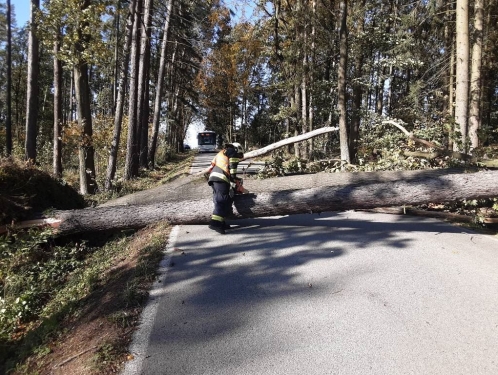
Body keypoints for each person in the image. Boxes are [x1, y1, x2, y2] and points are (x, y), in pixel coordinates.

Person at [207, 142, 244, 234]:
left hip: (214, 177)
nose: (238, 158)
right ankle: (215, 223)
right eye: (238, 155)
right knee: (222, 199)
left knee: (221, 199)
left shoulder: (221, 153)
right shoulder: (232, 151)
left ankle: (221, 222)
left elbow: (211, 167)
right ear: (237, 149)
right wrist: (234, 179)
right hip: (220, 178)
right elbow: (232, 167)